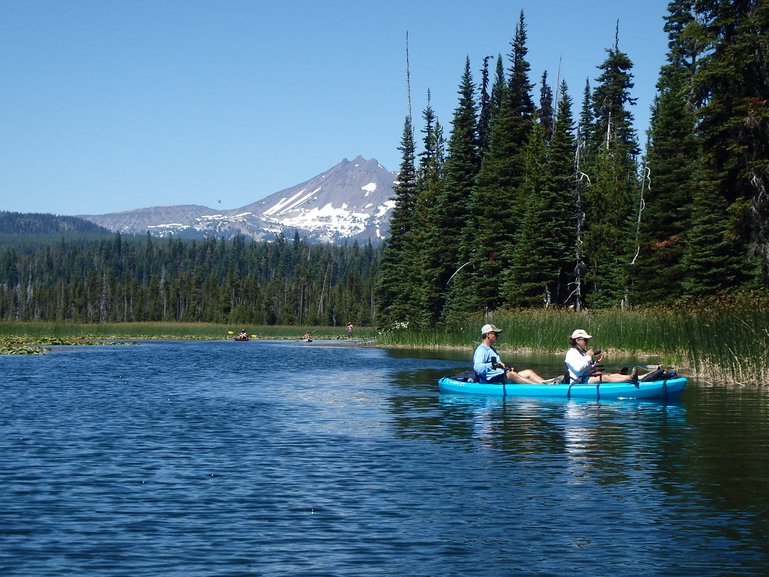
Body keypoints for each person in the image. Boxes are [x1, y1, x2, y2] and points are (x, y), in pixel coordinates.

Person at [473, 323, 547, 384]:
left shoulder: (492, 349)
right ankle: (540, 388)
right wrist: (493, 365)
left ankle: (547, 385)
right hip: (490, 380)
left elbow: (497, 366)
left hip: (499, 376)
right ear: (488, 335)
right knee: (512, 375)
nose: (497, 336)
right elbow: (477, 368)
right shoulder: (481, 350)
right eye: (495, 334)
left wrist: (506, 369)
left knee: (528, 372)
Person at [565, 329, 642, 384]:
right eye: (585, 340)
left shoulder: (582, 352)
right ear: (577, 340)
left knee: (612, 375)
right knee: (604, 377)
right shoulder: (571, 353)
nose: (587, 342)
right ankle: (630, 378)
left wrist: (597, 362)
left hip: (586, 377)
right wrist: (588, 356)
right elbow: (578, 369)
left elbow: (587, 367)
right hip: (579, 381)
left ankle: (639, 378)